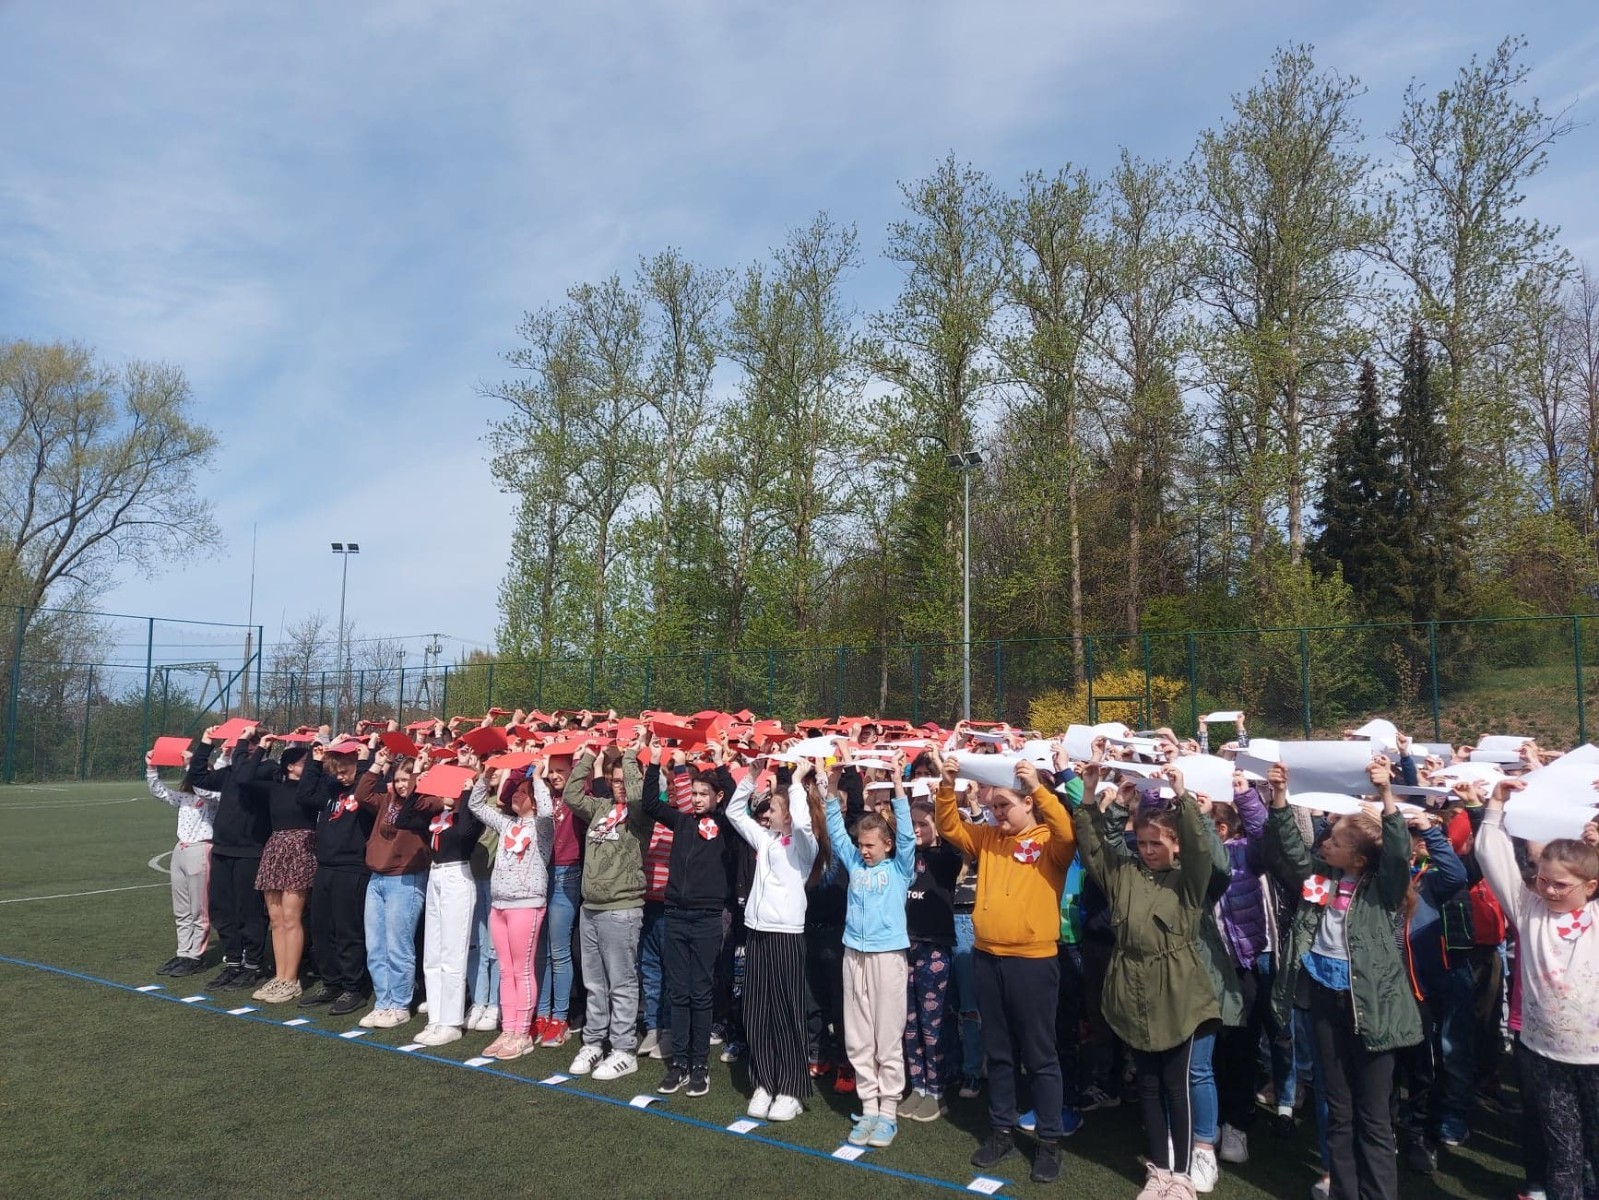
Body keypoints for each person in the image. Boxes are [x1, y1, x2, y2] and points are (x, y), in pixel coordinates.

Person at [1262, 758, 1422, 1200]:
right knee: (1339, 1108)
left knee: (1373, 1117)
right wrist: (1280, 797)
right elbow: (1292, 852)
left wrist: (1387, 794)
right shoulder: (1321, 881)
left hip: (1371, 1007)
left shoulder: (1381, 890)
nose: (1325, 843)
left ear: (1359, 857)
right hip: (1326, 1002)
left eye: (1334, 841)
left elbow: (1395, 853)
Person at [1074, 760, 1221, 1200]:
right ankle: (1158, 1171)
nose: (1148, 850)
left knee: (1177, 1086)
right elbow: (1094, 848)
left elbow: (1201, 851)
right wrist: (1090, 794)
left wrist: (1185, 797)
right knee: (1150, 1085)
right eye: (1142, 842)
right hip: (1131, 986)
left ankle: (1181, 1178)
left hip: (1176, 991)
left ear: (1174, 845)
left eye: (1156, 843)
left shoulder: (1188, 881)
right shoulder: (1125, 875)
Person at [934, 750, 1076, 1185]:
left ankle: (1049, 1140)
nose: (996, 814)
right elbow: (949, 826)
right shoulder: (989, 838)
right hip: (987, 955)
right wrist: (947, 785)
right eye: (993, 806)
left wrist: (1037, 785)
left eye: (1005, 806)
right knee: (997, 1051)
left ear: (1028, 802)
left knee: (1040, 1054)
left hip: (1032, 961)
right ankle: (1002, 1129)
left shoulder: (1049, 842)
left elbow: (1069, 832)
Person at [1478, 778, 1599, 1200]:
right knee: (1563, 1154)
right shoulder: (1527, 909)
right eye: (1543, 879)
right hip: (1543, 1053)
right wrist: (1494, 805)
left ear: (1591, 885)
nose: (1547, 889)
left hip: (1596, 1057)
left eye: (1560, 885)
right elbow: (1491, 855)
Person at [825, 753, 916, 1148]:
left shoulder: (898, 868)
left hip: (888, 956)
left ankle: (889, 1112)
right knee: (859, 1036)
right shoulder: (855, 865)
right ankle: (870, 1106)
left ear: (887, 844)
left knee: (887, 1034)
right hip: (853, 955)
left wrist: (898, 786)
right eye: (861, 845)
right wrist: (830, 785)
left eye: (871, 845)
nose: (864, 851)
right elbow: (834, 829)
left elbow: (910, 837)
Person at [726, 757, 819, 1122]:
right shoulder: (764, 840)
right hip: (758, 931)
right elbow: (735, 813)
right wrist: (751, 775)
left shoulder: (802, 847)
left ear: (790, 813)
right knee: (756, 1010)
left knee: (786, 1010)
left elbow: (806, 826)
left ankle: (791, 1088)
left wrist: (794, 782)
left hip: (786, 935)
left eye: (775, 808)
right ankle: (764, 1081)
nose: (769, 813)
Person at [641, 746, 735, 1098]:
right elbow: (650, 804)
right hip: (676, 915)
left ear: (717, 796)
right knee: (678, 992)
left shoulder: (726, 823)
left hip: (708, 918)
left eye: (703, 794)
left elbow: (737, 799)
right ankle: (678, 1063)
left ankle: (699, 1065)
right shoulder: (681, 821)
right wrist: (652, 764)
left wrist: (723, 764)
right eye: (692, 793)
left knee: (700, 992)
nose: (696, 799)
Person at [563, 738, 650, 1081]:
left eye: (624, 780)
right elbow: (571, 796)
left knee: (622, 983)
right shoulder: (599, 808)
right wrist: (587, 757)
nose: (620, 786)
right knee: (595, 983)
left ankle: (624, 1049)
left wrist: (630, 755)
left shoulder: (641, 814)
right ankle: (594, 1041)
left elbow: (639, 794)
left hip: (622, 908)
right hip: (591, 909)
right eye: (614, 780)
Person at [394, 752, 487, 1046]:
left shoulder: (466, 817)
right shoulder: (436, 817)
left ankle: (451, 1021)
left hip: (457, 876)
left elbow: (467, 832)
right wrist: (418, 781)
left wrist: (469, 787)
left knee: (452, 952)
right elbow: (405, 819)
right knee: (432, 953)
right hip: (435, 875)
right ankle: (436, 1016)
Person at [467, 761, 555, 1058]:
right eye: (514, 792)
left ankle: (522, 1034)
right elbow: (476, 806)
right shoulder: (507, 824)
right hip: (499, 904)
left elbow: (547, 810)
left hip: (526, 904)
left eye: (522, 792)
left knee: (522, 969)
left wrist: (539, 779)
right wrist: (485, 778)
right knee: (505, 970)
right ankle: (509, 1028)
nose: (516, 796)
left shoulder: (542, 827)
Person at [190, 725, 277, 990]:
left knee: (248, 911)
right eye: (244, 743)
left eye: (251, 743)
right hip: (224, 850)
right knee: (222, 909)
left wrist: (251, 746)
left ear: (263, 746)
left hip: (250, 851)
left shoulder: (268, 770)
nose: (244, 747)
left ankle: (253, 965)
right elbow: (198, 778)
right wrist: (206, 743)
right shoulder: (230, 771)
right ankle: (233, 963)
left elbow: (244, 778)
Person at [354, 746, 431, 1029]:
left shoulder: (424, 801)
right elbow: (361, 795)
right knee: (376, 946)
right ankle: (383, 1002)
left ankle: (399, 1004)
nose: (401, 784)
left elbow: (424, 804)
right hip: (377, 877)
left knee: (398, 945)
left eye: (406, 779)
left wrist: (420, 778)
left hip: (405, 879)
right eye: (398, 779)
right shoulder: (386, 800)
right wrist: (377, 765)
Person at [296, 741, 375, 1016]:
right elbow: (304, 795)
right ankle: (331, 983)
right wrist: (315, 762)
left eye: (345, 771)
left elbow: (369, 792)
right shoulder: (331, 789)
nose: (340, 776)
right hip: (326, 866)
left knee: (348, 931)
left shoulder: (365, 789)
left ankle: (354, 987)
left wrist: (365, 763)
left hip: (352, 868)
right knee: (321, 929)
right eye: (336, 771)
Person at [240, 742, 320, 1003]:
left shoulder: (311, 790)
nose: (307, 766)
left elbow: (324, 781)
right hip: (275, 848)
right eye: (303, 762)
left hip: (300, 850)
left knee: (291, 917)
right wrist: (262, 749)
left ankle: (291, 979)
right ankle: (280, 976)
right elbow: (245, 778)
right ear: (289, 765)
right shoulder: (275, 788)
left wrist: (319, 756)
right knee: (275, 919)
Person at [902, 795, 963, 1124]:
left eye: (923, 823)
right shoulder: (903, 855)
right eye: (912, 823)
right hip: (904, 945)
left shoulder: (946, 857)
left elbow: (955, 836)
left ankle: (938, 1090)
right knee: (909, 1023)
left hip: (934, 946)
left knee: (933, 1022)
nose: (916, 829)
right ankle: (918, 1085)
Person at [144, 741, 219, 977]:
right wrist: (151, 768)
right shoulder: (185, 797)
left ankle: (195, 955)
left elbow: (204, 789)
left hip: (201, 850)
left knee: (199, 908)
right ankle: (183, 952)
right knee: (182, 908)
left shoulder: (212, 795)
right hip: (181, 850)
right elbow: (160, 791)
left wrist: (191, 765)